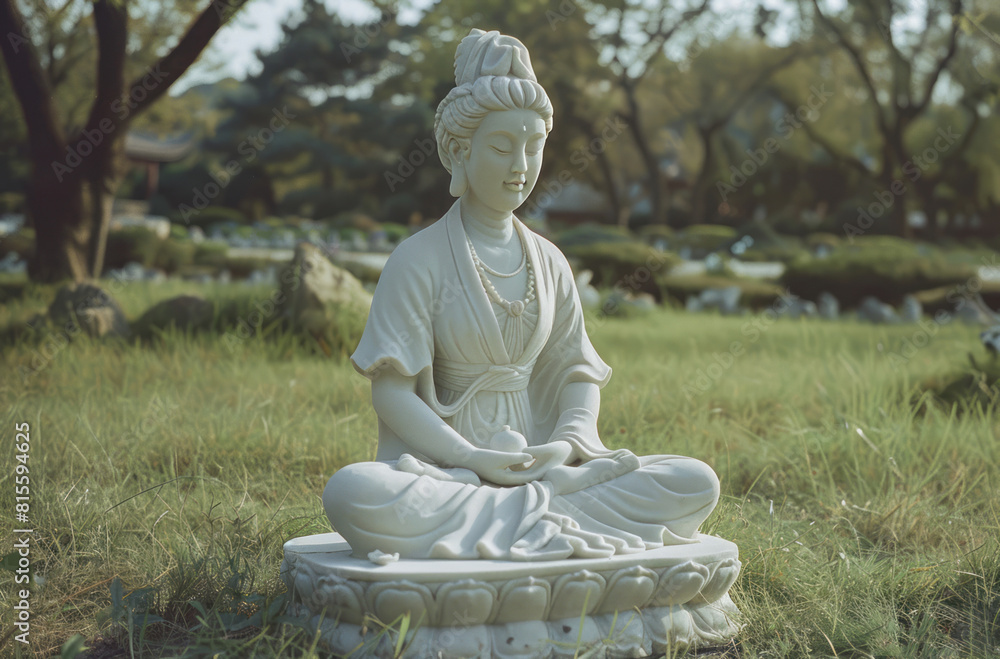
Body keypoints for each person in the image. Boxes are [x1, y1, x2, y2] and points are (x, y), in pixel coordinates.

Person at [323, 29, 719, 562]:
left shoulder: (550, 260)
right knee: (355, 492)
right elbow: (392, 393)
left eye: (533, 147)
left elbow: (577, 372)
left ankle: (521, 519)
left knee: (693, 481)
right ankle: (538, 520)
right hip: (450, 472)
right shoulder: (418, 259)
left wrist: (568, 441)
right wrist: (471, 457)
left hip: (545, 463)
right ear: (457, 150)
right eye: (502, 146)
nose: (521, 165)